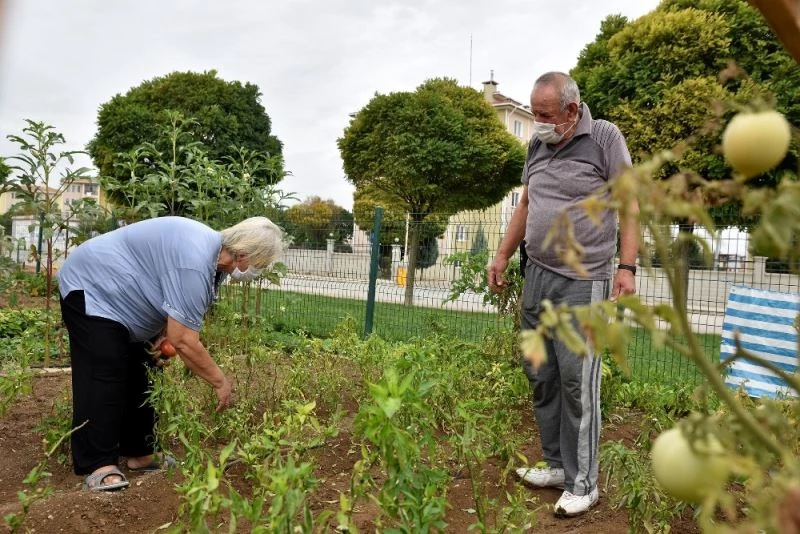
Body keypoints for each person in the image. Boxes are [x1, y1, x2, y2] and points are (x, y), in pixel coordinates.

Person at [487, 72, 638, 517]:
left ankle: (583, 483)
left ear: (571, 111)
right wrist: (502, 254)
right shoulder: (537, 146)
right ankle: (556, 466)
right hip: (537, 275)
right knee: (541, 374)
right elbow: (526, 203)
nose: (537, 123)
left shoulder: (604, 138)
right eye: (534, 114)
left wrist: (627, 267)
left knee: (577, 381)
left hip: (583, 281)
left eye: (545, 115)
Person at [56, 216, 284, 491]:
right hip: (94, 285)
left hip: (127, 297)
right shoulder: (196, 259)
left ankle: (141, 452)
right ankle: (97, 464)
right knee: (104, 371)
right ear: (245, 255)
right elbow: (184, 340)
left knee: (144, 369)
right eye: (260, 264)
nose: (258, 270)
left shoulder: (215, 262)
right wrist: (219, 381)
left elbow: (177, 302)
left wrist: (167, 327)